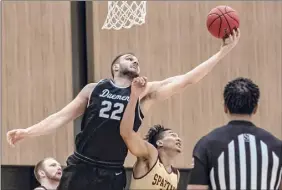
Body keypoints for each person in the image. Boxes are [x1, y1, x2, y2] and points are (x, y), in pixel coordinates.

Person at [7, 30, 240, 190]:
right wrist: (29, 131)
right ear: (116, 66)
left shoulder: (144, 93)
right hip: (81, 165)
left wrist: (222, 53)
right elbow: (60, 117)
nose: (135, 62)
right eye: (130, 59)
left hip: (112, 172)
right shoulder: (93, 89)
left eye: (137, 61)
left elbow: (187, 79)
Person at [187, 77, 282, 190]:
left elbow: (196, 188)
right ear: (255, 108)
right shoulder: (277, 146)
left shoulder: (206, 144)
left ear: (225, 108)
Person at [120, 77, 181, 190]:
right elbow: (127, 133)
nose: (178, 139)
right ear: (160, 142)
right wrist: (134, 96)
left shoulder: (176, 174)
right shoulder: (150, 154)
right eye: (173, 135)